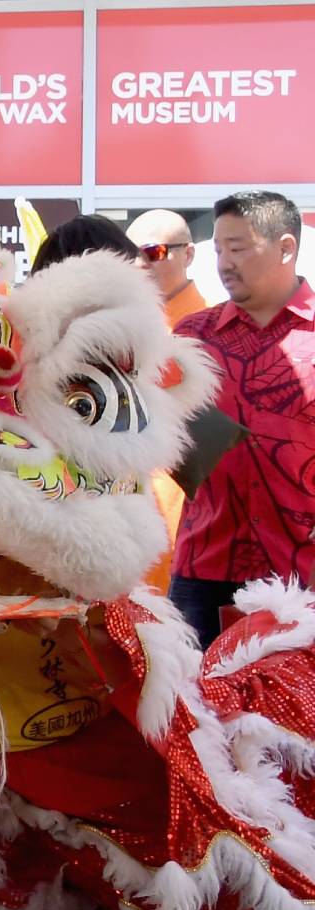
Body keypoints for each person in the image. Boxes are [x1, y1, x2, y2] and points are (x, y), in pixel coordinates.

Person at [168, 190, 315, 644]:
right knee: (195, 704)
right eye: (218, 249)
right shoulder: (193, 335)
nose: (223, 263)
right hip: (205, 565)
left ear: (286, 247)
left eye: (238, 248)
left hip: (303, 570)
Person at [27, 218, 188, 592]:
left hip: (117, 553)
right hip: (64, 550)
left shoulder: (139, 356)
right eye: (132, 270)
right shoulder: (38, 360)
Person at [127, 209, 209, 327]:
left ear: (188, 255)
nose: (139, 264)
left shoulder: (212, 326)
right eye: (130, 253)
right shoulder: (118, 323)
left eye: (152, 252)